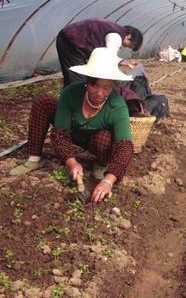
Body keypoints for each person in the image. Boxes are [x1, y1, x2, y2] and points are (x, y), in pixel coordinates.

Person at [9, 48, 135, 203]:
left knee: (106, 139)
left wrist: (108, 181)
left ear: (113, 86)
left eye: (107, 87)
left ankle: (101, 164)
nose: (100, 93)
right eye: (95, 85)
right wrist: (72, 162)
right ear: (87, 81)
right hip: (72, 130)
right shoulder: (71, 93)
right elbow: (60, 134)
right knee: (43, 102)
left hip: (95, 141)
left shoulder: (117, 106)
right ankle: (34, 158)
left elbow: (125, 147)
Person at [56, 18, 143, 85]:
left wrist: (125, 62)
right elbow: (109, 57)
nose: (128, 47)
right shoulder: (116, 37)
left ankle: (67, 102)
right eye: (130, 45)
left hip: (69, 40)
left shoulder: (115, 29)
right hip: (71, 42)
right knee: (78, 81)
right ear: (129, 35)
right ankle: (75, 105)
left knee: (72, 77)